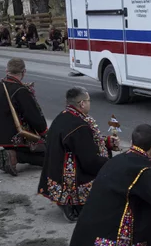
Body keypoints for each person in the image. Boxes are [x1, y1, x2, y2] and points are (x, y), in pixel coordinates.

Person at [39, 87, 117, 222]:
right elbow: (89, 161)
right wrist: (110, 164)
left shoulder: (63, 116)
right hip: (69, 176)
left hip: (54, 171)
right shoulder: (79, 126)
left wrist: (107, 142)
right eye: (88, 101)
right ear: (82, 104)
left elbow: (87, 143)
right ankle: (72, 202)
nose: (89, 103)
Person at [0, 58, 48, 176]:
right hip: (19, 137)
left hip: (1, 137)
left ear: (6, 70)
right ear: (24, 71)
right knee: (50, 158)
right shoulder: (21, 91)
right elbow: (34, 117)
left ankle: (10, 154)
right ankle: (15, 156)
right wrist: (44, 132)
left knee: (39, 153)